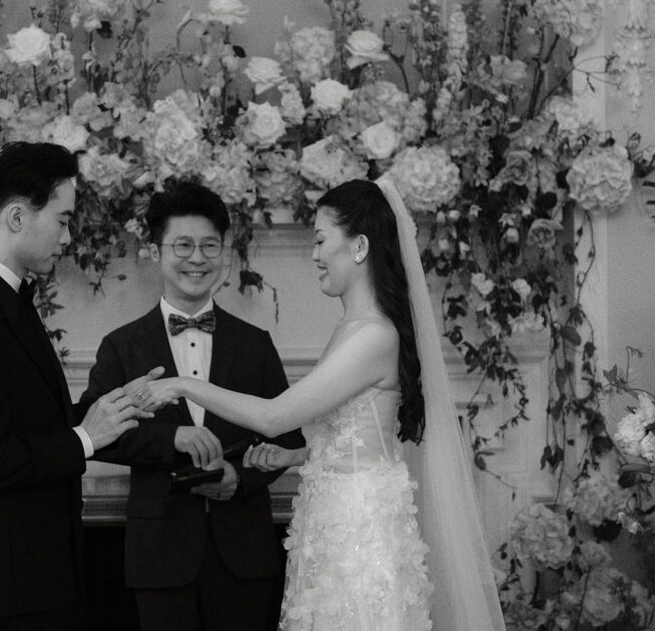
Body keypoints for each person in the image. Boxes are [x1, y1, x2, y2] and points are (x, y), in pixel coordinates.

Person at [140, 178, 506, 630]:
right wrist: (295, 456)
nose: (314, 255)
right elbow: (355, 435)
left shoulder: (374, 335)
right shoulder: (348, 330)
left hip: (359, 530)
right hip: (330, 519)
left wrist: (183, 385)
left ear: (359, 247)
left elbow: (274, 416)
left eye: (319, 240)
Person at [0, 142, 159, 631]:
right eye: (62, 220)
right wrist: (85, 438)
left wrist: (115, 408)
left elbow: (32, 421)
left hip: (40, 571)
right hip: (12, 581)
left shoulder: (4, 299)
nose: (68, 237)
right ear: (17, 216)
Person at [80, 181, 305, 631]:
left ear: (225, 252)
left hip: (244, 550)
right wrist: (173, 438)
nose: (197, 258)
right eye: (183, 245)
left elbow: (289, 437)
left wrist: (239, 478)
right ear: (155, 252)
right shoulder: (121, 346)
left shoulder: (255, 344)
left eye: (209, 245)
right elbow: (97, 435)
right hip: (159, 552)